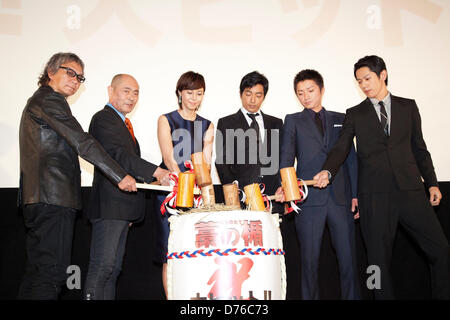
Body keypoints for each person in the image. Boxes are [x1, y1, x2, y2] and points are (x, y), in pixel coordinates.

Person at [314, 55, 449, 299]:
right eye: (359, 81)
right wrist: (328, 170)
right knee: (376, 263)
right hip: (374, 196)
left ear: (382, 75)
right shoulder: (355, 113)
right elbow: (342, 147)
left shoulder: (408, 106)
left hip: (410, 192)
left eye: (367, 78)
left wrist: (432, 183)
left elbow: (420, 148)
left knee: (441, 251)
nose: (363, 84)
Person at [18, 52, 136, 300]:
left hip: (39, 198)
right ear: (51, 71)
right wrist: (119, 175)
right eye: (69, 72)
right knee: (50, 274)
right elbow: (83, 143)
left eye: (80, 77)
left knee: (37, 273)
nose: (75, 80)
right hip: (52, 198)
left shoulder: (40, 101)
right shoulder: (50, 100)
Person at [84, 74, 170, 300]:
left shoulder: (122, 123)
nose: (131, 97)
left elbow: (126, 163)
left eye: (136, 92)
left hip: (122, 209)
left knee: (112, 271)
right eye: (126, 90)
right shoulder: (103, 119)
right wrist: (158, 172)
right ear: (110, 90)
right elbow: (118, 155)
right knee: (102, 268)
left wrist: (151, 183)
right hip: (110, 208)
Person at [278, 69, 359, 299]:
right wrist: (289, 189)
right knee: (309, 263)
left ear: (322, 90)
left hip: (341, 198)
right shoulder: (293, 120)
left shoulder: (341, 118)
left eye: (310, 90)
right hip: (308, 200)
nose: (306, 96)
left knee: (348, 261)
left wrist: (355, 194)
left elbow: (351, 158)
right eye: (300, 93)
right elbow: (286, 159)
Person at [154, 71, 214, 298]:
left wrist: (198, 191)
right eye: (190, 92)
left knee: (194, 248)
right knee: (170, 251)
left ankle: (193, 297)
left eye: (199, 93)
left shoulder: (208, 125)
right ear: (180, 92)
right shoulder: (166, 119)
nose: (194, 98)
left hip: (197, 195)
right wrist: (182, 185)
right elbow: (169, 158)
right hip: (170, 192)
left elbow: (205, 162)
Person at [215, 71, 283, 207]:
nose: (253, 100)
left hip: (274, 194)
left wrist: (284, 186)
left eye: (258, 95)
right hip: (242, 196)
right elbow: (222, 161)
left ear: (264, 96)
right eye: (248, 94)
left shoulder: (276, 123)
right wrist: (233, 191)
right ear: (240, 94)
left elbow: (283, 157)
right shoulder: (226, 123)